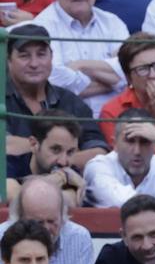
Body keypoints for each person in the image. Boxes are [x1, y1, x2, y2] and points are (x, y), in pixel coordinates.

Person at [32, 0, 129, 116]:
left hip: (119, 121)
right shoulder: (42, 27)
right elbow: (55, 84)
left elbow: (130, 70)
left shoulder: (112, 23)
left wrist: (80, 65)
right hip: (67, 122)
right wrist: (114, 80)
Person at [5, 23, 107, 168]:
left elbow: (99, 152)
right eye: (24, 56)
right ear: (9, 60)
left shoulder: (70, 101)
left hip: (66, 184)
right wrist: (69, 151)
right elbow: (7, 146)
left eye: (41, 54)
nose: (34, 63)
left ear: (51, 57)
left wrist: (54, 157)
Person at [0, 175, 97, 264]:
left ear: (63, 216)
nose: (45, 230)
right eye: (37, 222)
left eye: (52, 221)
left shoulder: (79, 237)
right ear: (19, 218)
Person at [84, 109, 155, 207]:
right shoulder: (98, 166)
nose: (137, 151)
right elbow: (123, 201)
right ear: (115, 144)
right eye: (130, 141)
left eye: (145, 142)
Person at [5, 114, 85, 206]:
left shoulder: (71, 172)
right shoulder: (8, 165)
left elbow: (68, 203)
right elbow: (16, 200)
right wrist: (59, 178)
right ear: (34, 144)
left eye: (70, 152)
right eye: (56, 150)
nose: (63, 162)